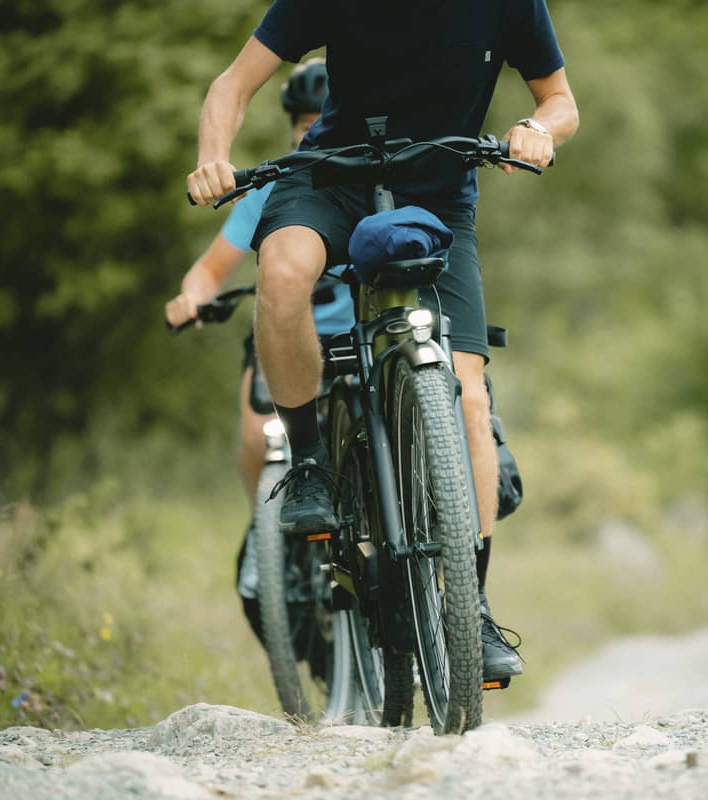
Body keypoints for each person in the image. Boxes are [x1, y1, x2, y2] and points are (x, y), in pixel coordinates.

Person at [186, 1, 579, 681]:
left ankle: (472, 605)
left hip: (437, 193)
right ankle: (310, 462)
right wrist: (212, 158)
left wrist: (538, 128)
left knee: (470, 397)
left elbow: (561, 99)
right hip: (330, 178)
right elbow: (232, 85)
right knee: (282, 275)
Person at [166, 60, 345, 643]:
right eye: (305, 123)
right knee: (255, 427)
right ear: (292, 126)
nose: (313, 131)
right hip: (285, 331)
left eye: (324, 119)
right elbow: (212, 268)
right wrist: (192, 297)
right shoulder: (272, 185)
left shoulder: (370, 173)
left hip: (354, 336)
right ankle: (262, 532)